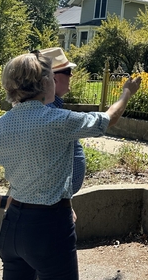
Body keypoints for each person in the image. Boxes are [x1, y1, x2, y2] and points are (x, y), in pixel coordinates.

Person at [0, 50, 141, 280]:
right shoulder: (58, 120)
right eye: (51, 76)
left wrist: (3, 201)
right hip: (50, 227)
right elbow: (109, 119)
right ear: (44, 82)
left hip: (12, 229)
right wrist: (127, 93)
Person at [40, 47, 85, 194]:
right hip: (49, 205)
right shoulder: (48, 114)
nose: (71, 75)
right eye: (67, 71)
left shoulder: (51, 109)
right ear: (53, 78)